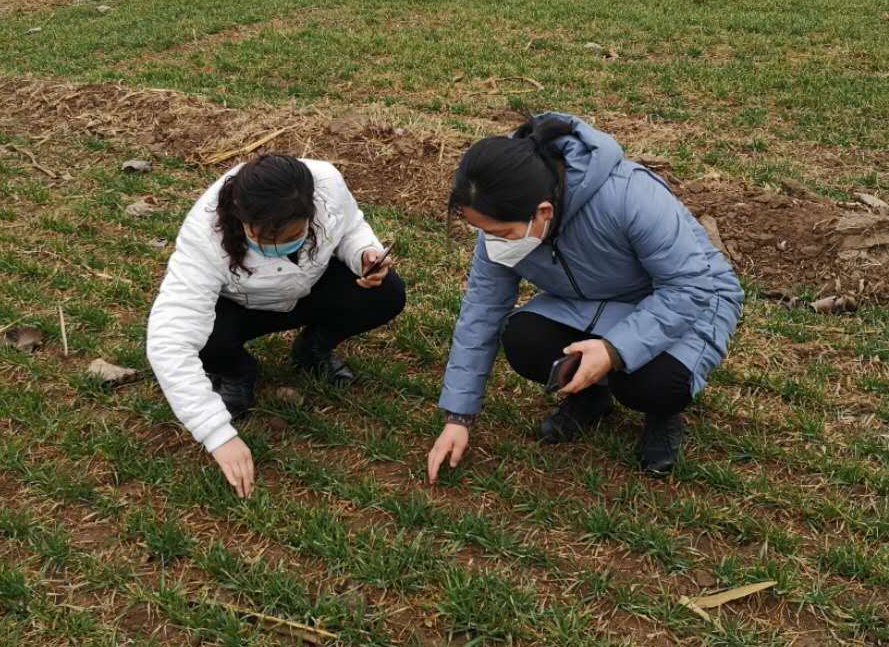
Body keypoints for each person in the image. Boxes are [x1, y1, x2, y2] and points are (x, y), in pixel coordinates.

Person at [427, 113, 742, 482]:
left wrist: (613, 350)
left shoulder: (629, 195)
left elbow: (690, 286)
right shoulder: (503, 213)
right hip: (595, 302)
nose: (492, 243)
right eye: (484, 232)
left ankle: (661, 414)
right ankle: (592, 395)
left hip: (693, 298)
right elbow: (482, 310)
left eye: (502, 233)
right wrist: (459, 417)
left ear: (543, 212)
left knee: (654, 382)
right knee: (525, 340)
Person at [148, 153, 405, 497]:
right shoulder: (204, 234)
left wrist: (364, 254)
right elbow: (169, 340)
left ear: (311, 210)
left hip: (308, 289)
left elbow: (351, 226)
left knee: (386, 293)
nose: (278, 245)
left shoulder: (326, 183)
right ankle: (236, 370)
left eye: (293, 234)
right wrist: (217, 435)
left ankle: (313, 348)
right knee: (205, 337)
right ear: (240, 216)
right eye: (264, 237)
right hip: (241, 306)